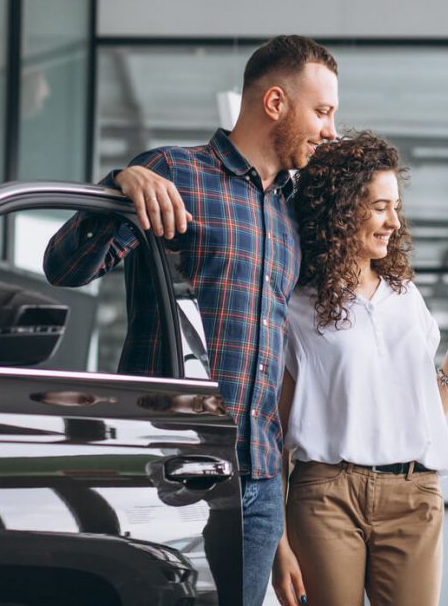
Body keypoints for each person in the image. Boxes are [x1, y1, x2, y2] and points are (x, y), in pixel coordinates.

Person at [42, 35, 339, 606]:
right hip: (172, 471)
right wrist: (118, 186)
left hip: (256, 482)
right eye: (321, 111)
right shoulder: (172, 172)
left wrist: (277, 515)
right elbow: (65, 268)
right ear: (275, 103)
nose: (329, 129)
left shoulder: (292, 212)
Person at [272, 132, 448, 606]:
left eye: (396, 207)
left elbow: (429, 411)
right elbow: (276, 432)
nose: (394, 221)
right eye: (381, 207)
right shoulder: (296, 306)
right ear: (342, 211)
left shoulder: (406, 298)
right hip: (327, 495)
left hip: (414, 494)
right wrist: (279, 544)